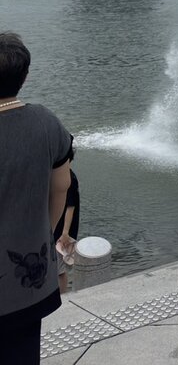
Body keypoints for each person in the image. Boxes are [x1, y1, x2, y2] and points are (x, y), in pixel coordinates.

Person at [0, 32, 72, 365]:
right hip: (28, 278)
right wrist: (44, 234)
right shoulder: (46, 122)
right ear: (25, 76)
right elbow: (61, 187)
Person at [53, 163, 79, 294]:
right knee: (55, 268)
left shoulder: (68, 177)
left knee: (59, 270)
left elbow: (70, 207)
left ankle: (62, 297)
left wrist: (65, 233)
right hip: (54, 229)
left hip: (61, 233)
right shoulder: (59, 175)